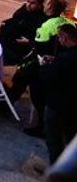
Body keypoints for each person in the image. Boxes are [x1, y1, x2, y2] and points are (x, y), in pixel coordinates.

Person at [35, 23, 77, 162]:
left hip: (58, 104)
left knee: (53, 137)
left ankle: (55, 167)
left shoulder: (66, 58)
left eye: (59, 37)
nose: (58, 40)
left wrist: (44, 66)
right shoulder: (68, 56)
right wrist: (55, 61)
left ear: (65, 38)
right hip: (72, 105)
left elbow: (49, 77)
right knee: (69, 136)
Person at [0, 0, 49, 65]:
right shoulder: (24, 8)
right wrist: (5, 22)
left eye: (32, 3)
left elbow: (41, 39)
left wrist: (29, 41)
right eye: (28, 1)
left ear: (40, 5)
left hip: (22, 44)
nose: (28, 5)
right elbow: (15, 19)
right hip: (12, 36)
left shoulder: (42, 19)